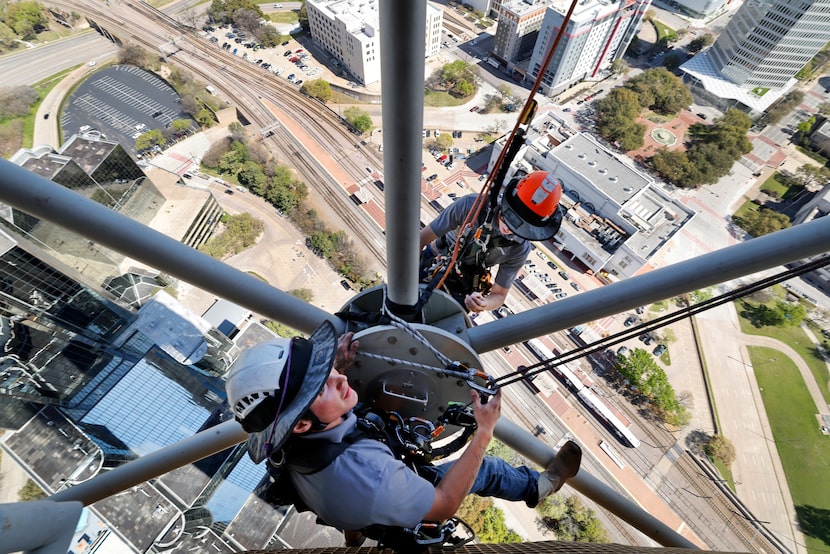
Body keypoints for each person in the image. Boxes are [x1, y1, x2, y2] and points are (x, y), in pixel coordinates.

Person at [226, 321, 582, 546]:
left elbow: (308, 410)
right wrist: (484, 432)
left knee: (358, 507)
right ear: (301, 424)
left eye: (325, 372)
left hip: (340, 502)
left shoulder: (282, 442)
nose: (341, 379)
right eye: (322, 387)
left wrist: (326, 371)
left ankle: (353, 539)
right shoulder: (371, 474)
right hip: (369, 501)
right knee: (485, 469)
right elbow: (443, 506)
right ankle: (542, 486)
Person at [419, 171, 564, 313]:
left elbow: (499, 295)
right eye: (509, 217)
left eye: (521, 228)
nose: (509, 229)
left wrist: (483, 303)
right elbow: (420, 239)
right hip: (433, 259)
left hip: (462, 285)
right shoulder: (471, 206)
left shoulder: (519, 249)